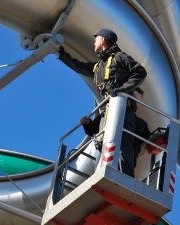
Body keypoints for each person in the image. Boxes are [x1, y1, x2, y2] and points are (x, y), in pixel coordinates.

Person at [58, 28, 147, 177]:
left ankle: (125, 179)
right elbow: (79, 66)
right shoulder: (98, 67)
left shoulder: (119, 57)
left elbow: (140, 72)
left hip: (122, 111)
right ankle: (102, 175)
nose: (94, 42)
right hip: (107, 112)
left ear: (103, 40)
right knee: (101, 142)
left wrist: (121, 90)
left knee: (123, 143)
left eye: (96, 38)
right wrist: (61, 55)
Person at [133, 87, 151, 167]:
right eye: (133, 98)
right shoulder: (110, 111)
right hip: (105, 154)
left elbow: (148, 138)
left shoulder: (141, 124)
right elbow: (94, 129)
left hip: (128, 158)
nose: (135, 102)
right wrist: (88, 123)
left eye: (137, 101)